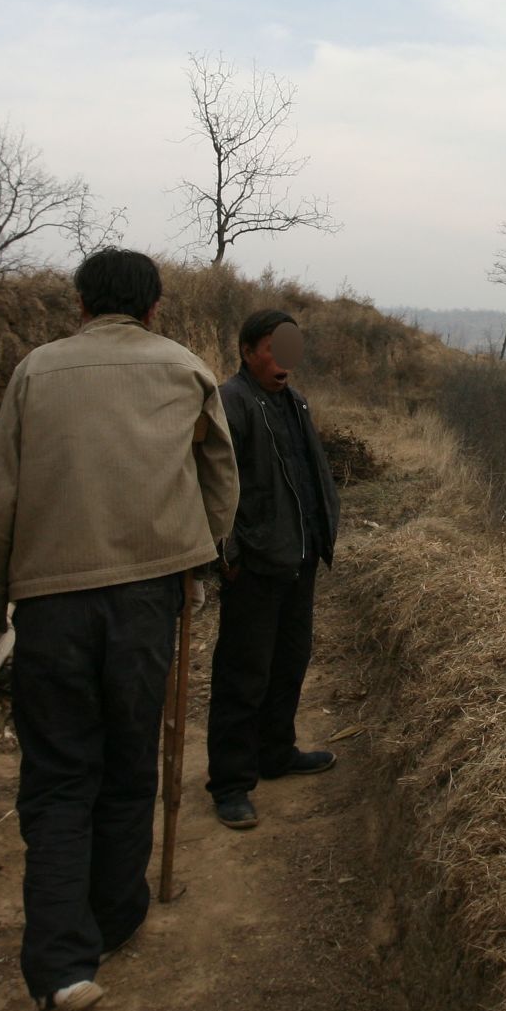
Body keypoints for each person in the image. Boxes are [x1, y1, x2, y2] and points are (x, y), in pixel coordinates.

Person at [0, 247, 237, 1011]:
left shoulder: (37, 371)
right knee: (129, 758)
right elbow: (220, 477)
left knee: (57, 779)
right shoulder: (183, 367)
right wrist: (204, 553)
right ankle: (115, 920)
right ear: (154, 307)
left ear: (80, 304)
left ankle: (60, 965)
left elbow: (1, 494)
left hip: (52, 603)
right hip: (150, 597)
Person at [206, 309, 342, 830]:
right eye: (272, 348)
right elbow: (214, 487)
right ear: (246, 351)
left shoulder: (295, 401)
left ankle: (276, 752)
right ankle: (231, 782)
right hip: (256, 566)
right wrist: (231, 556)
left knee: (289, 661)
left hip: (300, 558)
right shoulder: (231, 403)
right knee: (244, 673)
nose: (284, 359)